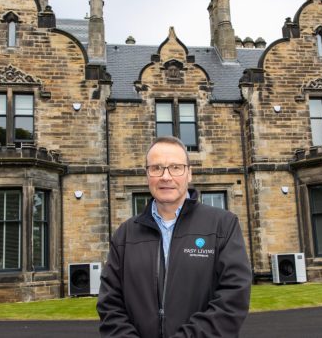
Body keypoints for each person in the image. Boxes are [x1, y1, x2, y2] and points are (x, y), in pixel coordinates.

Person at [97, 136, 252, 337]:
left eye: (176, 167)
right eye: (156, 168)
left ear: (189, 173)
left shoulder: (223, 224)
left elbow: (233, 298)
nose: (166, 176)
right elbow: (110, 305)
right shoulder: (125, 234)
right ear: (147, 175)